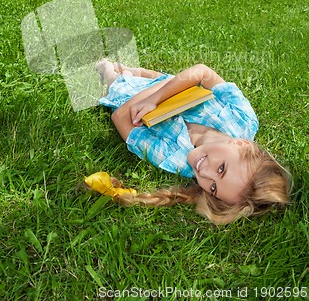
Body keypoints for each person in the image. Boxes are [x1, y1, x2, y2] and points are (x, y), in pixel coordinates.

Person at [91, 59, 291, 225]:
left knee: (112, 73)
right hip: (162, 83)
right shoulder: (242, 119)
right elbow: (203, 72)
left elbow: (120, 117)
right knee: (157, 77)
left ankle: (119, 74)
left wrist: (175, 87)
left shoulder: (175, 159)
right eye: (221, 169)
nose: (204, 172)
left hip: (128, 94)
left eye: (213, 188)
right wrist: (159, 96)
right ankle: (138, 72)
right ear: (241, 144)